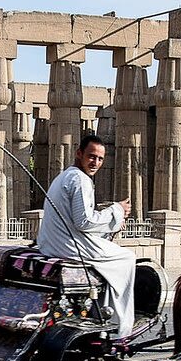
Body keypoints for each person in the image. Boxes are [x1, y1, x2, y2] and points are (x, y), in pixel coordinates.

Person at [37, 135, 136, 338]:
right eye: (92, 157)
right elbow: (84, 222)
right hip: (69, 246)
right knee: (126, 258)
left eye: (100, 159)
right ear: (79, 153)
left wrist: (112, 219)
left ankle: (103, 312)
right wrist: (117, 210)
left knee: (111, 259)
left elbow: (78, 221)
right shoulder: (80, 179)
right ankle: (119, 325)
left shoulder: (66, 176)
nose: (96, 163)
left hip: (53, 243)